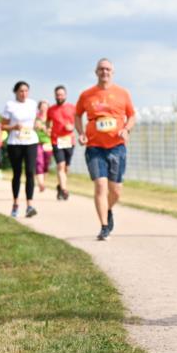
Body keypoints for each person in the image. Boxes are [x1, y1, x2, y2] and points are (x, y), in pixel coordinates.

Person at [75, 58, 136, 240]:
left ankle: (108, 209)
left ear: (112, 72)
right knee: (100, 185)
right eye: (101, 69)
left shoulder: (122, 93)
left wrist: (126, 129)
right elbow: (78, 115)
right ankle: (103, 226)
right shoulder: (87, 95)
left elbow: (131, 116)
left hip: (116, 146)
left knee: (115, 190)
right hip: (94, 146)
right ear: (96, 72)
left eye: (108, 69)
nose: (105, 72)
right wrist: (80, 132)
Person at [0, 81, 39, 218]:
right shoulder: (10, 105)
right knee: (17, 173)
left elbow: (35, 121)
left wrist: (38, 126)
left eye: (26, 91)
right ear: (16, 92)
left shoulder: (33, 104)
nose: (24, 94)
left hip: (31, 141)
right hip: (15, 142)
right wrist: (13, 127)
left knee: (30, 172)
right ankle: (15, 204)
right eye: (21, 91)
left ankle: (29, 205)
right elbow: (2, 126)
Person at [47, 85, 77, 200]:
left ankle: (60, 186)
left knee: (66, 168)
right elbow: (48, 123)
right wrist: (48, 129)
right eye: (57, 95)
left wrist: (72, 126)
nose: (59, 97)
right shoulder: (51, 109)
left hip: (69, 140)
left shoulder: (72, 108)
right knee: (60, 165)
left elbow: (77, 121)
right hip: (56, 140)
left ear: (65, 95)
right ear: (55, 95)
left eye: (61, 94)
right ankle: (64, 190)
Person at [34, 100, 54, 195]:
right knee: (39, 162)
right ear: (39, 107)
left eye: (45, 106)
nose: (44, 108)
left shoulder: (51, 118)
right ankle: (40, 183)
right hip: (37, 143)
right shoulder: (35, 117)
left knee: (46, 164)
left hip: (48, 143)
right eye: (42, 106)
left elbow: (52, 131)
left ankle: (43, 181)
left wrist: (44, 128)